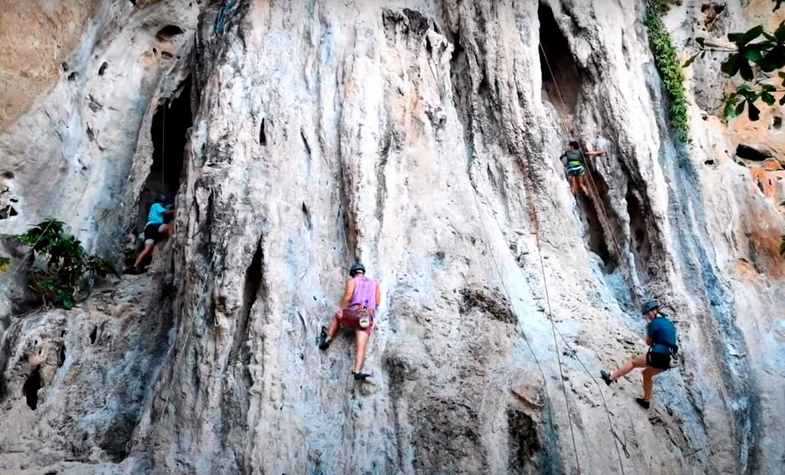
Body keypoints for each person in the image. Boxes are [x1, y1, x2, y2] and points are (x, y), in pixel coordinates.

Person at [601, 300, 678, 409]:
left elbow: (648, 342)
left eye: (648, 313)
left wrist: (649, 330)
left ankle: (610, 377)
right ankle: (646, 401)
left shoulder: (653, 324)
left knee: (633, 362)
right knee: (647, 374)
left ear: (654, 311)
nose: (647, 316)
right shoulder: (668, 322)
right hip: (669, 359)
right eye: (646, 314)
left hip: (658, 354)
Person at [318, 262, 381, 381]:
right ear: (363, 272)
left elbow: (347, 296)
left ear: (353, 273)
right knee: (361, 346)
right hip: (366, 318)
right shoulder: (375, 284)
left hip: (354, 314)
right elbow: (377, 301)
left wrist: (342, 309)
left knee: (338, 315)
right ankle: (357, 371)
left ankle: (327, 339)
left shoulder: (352, 281)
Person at [129, 195, 175, 273]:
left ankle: (135, 266)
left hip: (148, 228)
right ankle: (172, 239)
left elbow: (165, 209)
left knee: (147, 249)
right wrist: (175, 210)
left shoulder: (153, 208)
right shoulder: (156, 205)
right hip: (154, 226)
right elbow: (166, 211)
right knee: (169, 226)